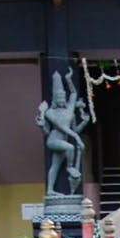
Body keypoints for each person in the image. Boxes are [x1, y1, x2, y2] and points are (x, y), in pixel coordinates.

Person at [36, 67, 90, 195]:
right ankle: (70, 167)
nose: (61, 100)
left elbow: (73, 94)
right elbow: (63, 128)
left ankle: (50, 190)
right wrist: (77, 139)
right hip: (54, 140)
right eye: (58, 98)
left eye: (62, 97)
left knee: (54, 166)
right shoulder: (50, 112)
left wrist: (68, 79)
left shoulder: (69, 110)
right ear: (54, 99)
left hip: (63, 141)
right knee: (70, 148)